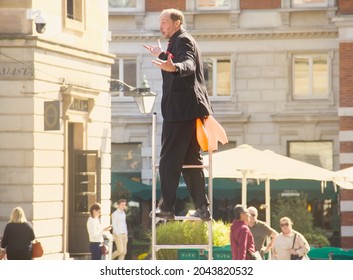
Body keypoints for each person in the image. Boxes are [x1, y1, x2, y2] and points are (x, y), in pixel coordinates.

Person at [143, 8, 213, 220]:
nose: (160, 26)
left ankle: (167, 207)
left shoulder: (183, 40)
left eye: (164, 21)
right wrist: (162, 55)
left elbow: (188, 63)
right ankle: (202, 207)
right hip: (188, 109)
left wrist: (175, 67)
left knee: (168, 160)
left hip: (181, 111)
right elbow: (179, 62)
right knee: (190, 160)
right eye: (160, 22)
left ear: (177, 22)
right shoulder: (178, 41)